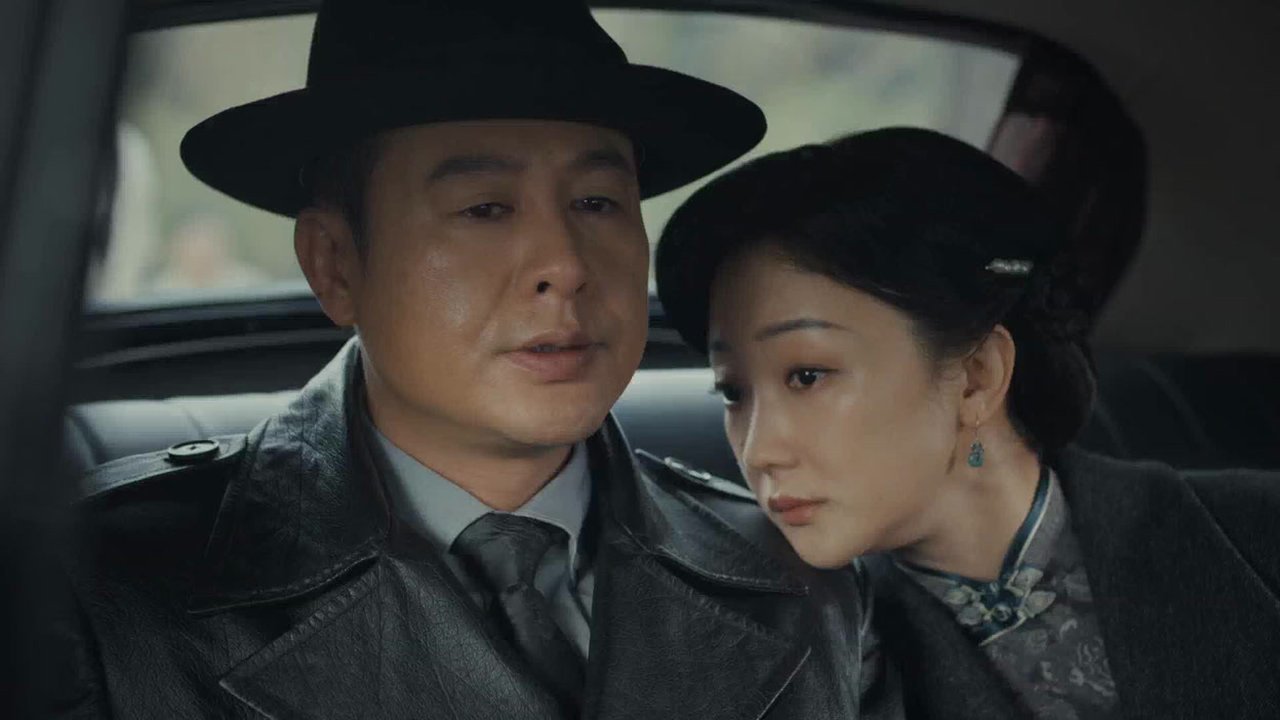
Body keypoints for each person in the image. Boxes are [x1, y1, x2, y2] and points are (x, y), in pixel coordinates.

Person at [55, 1, 870, 717]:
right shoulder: (100, 588)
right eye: (485, 208)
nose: (566, 264)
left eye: (597, 202)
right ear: (336, 265)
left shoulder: (799, 575)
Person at [654, 127, 1280, 719]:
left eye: (807, 375)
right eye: (732, 391)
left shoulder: (1254, 534)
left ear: (978, 375)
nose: (758, 450)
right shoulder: (808, 664)